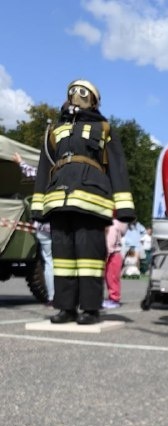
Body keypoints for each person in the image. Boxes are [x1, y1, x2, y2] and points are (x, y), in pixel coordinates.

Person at [31, 79, 135, 324]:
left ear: (94, 99)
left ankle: (90, 309)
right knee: (63, 258)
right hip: (58, 200)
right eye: (73, 91)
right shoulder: (54, 130)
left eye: (83, 91)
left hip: (92, 201)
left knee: (89, 258)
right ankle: (65, 308)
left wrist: (124, 207)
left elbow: (117, 167)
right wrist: (38, 205)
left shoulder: (104, 128)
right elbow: (44, 166)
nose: (77, 95)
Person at [13, 152, 54, 305]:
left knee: (48, 261)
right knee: (60, 262)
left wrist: (20, 161)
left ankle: (52, 297)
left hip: (43, 224)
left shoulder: (43, 175)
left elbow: (30, 172)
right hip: (59, 224)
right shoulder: (63, 176)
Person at [103, 217, 127, 309]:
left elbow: (110, 242)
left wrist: (106, 255)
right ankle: (113, 297)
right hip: (116, 254)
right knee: (111, 278)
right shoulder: (118, 224)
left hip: (113, 254)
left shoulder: (112, 225)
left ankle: (114, 299)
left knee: (112, 278)